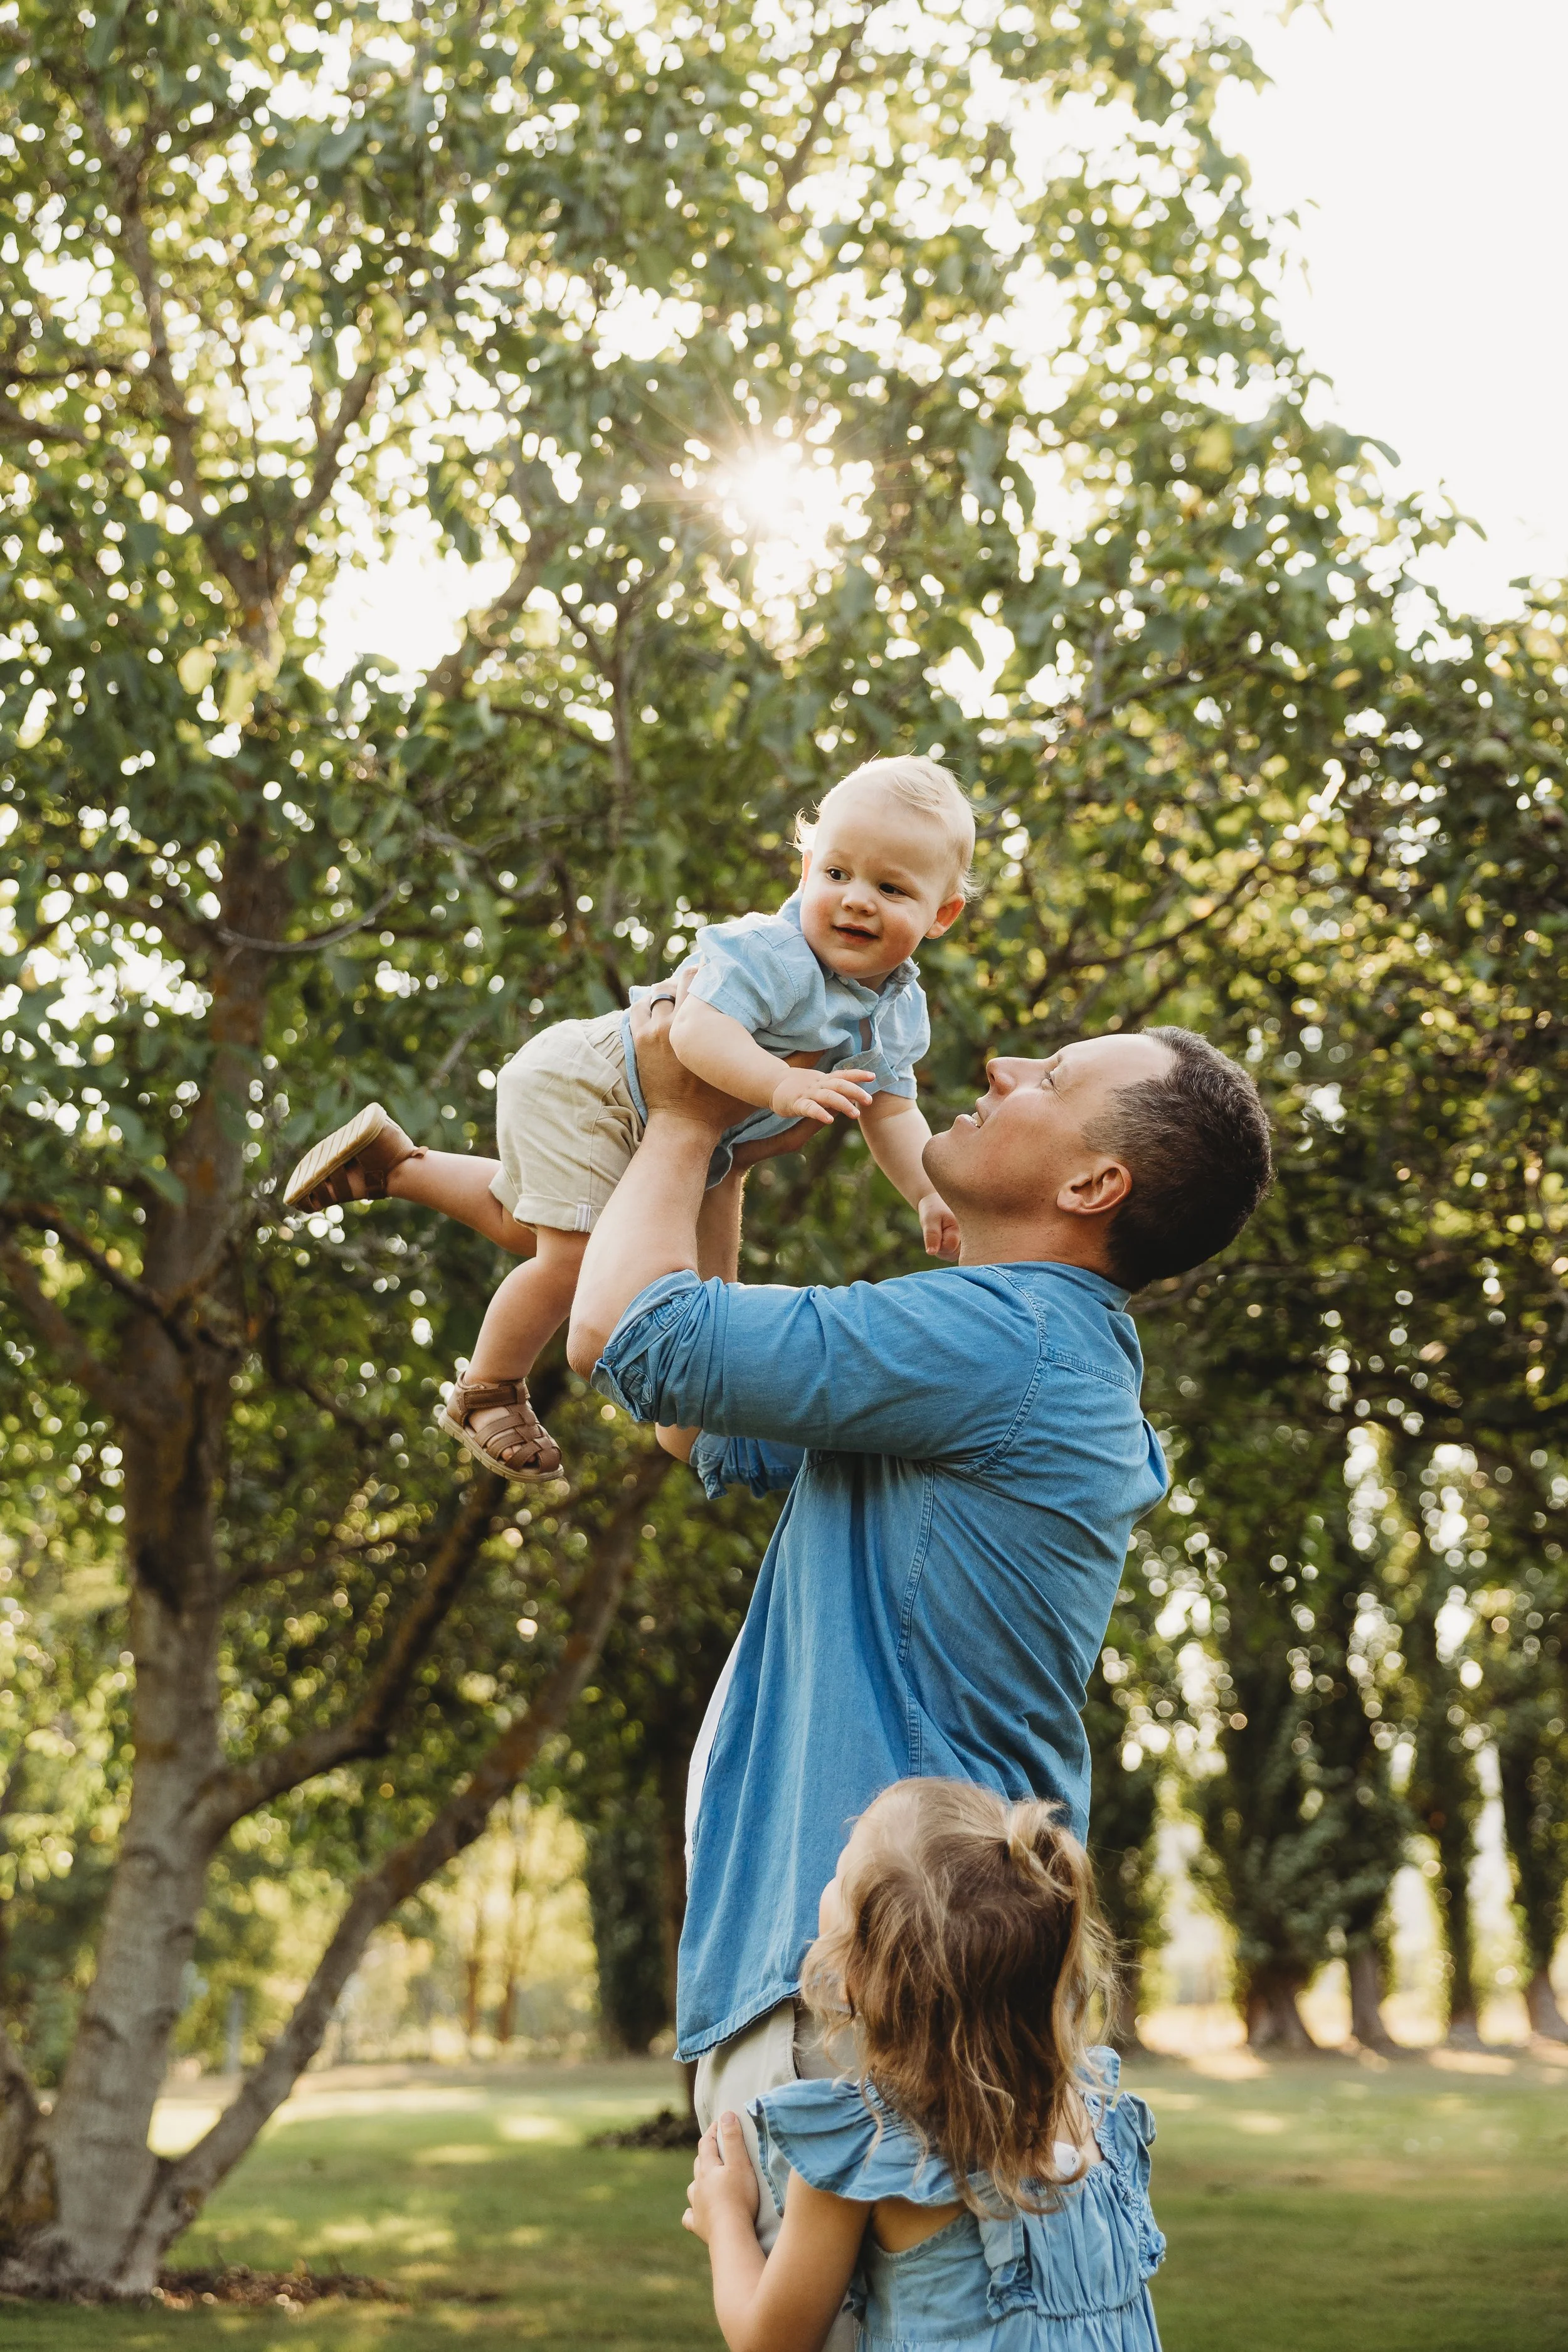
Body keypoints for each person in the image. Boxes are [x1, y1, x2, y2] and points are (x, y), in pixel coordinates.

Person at [566, 993, 1269, 2343]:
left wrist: (686, 1113)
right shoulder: (1013, 1346)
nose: (1002, 1065)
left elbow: (631, 1340)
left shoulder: (1005, 1340)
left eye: (1051, 1076)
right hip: (916, 1979)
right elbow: (689, 1417)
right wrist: (716, 1167)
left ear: (1092, 1184)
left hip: (878, 1980)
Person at [278, 755, 973, 1480]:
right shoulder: (774, 953)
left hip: (639, 1115)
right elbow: (694, 1031)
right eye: (836, 873)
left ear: (942, 914)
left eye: (890, 888)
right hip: (594, 1086)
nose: (856, 900)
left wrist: (927, 1191)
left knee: (535, 1230)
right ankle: (486, 1390)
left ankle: (397, 1166)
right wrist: (777, 1085)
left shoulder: (899, 1010)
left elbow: (892, 1110)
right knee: (575, 1261)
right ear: (805, 871)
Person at [683, 1779, 1165, 2352]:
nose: (826, 1879)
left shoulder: (867, 2150)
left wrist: (726, 2220)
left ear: (857, 1976)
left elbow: (771, 2343)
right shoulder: (1092, 2120)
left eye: (839, 1871)